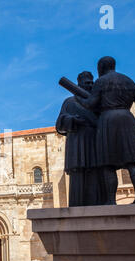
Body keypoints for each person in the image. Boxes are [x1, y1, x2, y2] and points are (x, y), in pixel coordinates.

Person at [76, 56, 135, 205]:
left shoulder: (101, 81)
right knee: (133, 162)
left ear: (101, 68)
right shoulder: (127, 80)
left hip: (108, 121)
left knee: (108, 164)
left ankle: (111, 200)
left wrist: (78, 98)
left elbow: (91, 104)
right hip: (127, 119)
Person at [56, 71, 105, 206]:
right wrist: (71, 119)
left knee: (96, 175)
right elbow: (59, 124)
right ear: (79, 84)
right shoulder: (69, 102)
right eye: (86, 83)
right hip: (77, 144)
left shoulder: (98, 104)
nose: (89, 85)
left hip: (94, 142)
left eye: (91, 83)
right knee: (77, 178)